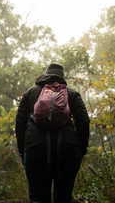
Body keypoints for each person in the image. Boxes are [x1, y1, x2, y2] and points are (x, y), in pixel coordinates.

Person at [15, 63, 90, 203]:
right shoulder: (71, 94)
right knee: (63, 197)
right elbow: (83, 121)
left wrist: (23, 151)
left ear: (45, 74)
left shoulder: (30, 93)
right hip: (68, 149)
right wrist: (81, 149)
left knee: (38, 196)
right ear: (61, 77)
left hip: (36, 148)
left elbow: (20, 124)